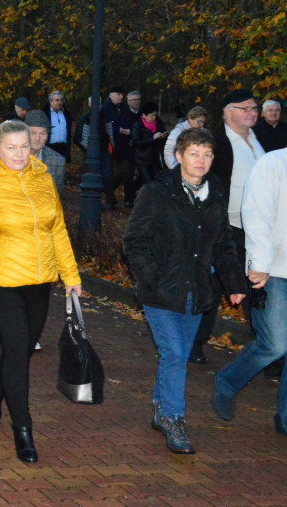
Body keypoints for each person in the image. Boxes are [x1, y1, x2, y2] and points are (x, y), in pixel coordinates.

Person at [123, 129, 246, 454]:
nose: (201, 161)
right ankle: (175, 420)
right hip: (161, 291)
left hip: (197, 291)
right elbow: (134, 241)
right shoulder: (157, 191)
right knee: (175, 354)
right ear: (179, 156)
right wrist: (151, 278)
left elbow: (223, 242)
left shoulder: (215, 191)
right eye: (194, 153)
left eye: (207, 154)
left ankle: (161, 408)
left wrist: (235, 284)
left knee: (173, 356)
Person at [0, 120, 81, 463]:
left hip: (40, 281)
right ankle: (23, 429)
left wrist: (71, 275)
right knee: (18, 349)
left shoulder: (43, 178)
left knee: (19, 350)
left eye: (24, 146)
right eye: (11, 148)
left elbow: (57, 229)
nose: (19, 154)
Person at [212, 144, 287, 434]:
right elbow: (255, 213)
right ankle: (227, 382)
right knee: (275, 343)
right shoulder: (274, 163)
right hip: (274, 271)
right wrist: (259, 262)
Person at [192, 90, 265, 364]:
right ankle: (195, 343)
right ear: (228, 111)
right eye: (245, 108)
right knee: (214, 286)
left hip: (258, 230)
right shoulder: (216, 142)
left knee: (257, 286)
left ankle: (271, 348)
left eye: (254, 108)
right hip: (226, 226)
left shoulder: (261, 140)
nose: (252, 113)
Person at [102, 88, 133, 208]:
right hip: (109, 145)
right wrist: (118, 130)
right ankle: (110, 199)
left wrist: (128, 131)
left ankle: (107, 191)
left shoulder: (124, 109)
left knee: (124, 171)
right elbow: (105, 126)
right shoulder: (105, 109)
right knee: (108, 173)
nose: (121, 96)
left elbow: (130, 124)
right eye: (118, 94)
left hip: (123, 146)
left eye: (122, 94)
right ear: (111, 95)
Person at [25, 110, 66, 192]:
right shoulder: (10, 158)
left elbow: (55, 196)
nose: (38, 139)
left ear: (48, 136)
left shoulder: (58, 162)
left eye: (42, 134)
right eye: (33, 133)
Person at [129, 101, 168, 189]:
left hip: (156, 158)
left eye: (155, 115)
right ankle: (137, 197)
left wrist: (163, 136)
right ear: (144, 115)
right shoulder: (137, 125)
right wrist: (152, 139)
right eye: (151, 116)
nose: (154, 118)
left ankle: (131, 193)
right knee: (149, 183)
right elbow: (136, 142)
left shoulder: (159, 122)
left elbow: (163, 135)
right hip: (142, 159)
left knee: (150, 180)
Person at [44, 91, 73, 160]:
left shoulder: (66, 113)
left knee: (60, 169)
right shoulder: (45, 114)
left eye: (61, 100)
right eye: (56, 100)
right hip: (49, 147)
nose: (59, 103)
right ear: (50, 101)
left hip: (63, 147)